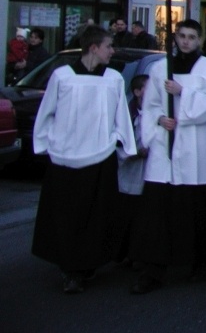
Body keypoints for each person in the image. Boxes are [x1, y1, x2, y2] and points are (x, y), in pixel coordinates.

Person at [31, 25, 136, 293]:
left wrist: (122, 142)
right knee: (67, 216)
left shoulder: (113, 79)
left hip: (100, 154)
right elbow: (47, 112)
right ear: (93, 48)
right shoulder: (63, 77)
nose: (112, 51)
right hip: (65, 157)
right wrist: (47, 143)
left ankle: (88, 263)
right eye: (108, 46)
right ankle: (70, 268)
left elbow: (121, 115)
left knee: (97, 215)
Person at [131, 19, 206, 294]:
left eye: (192, 37)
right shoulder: (160, 68)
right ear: (175, 38)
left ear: (199, 40)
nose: (186, 41)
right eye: (182, 36)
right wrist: (160, 118)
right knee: (158, 211)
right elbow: (150, 105)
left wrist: (184, 93)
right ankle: (152, 269)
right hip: (166, 146)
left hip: (197, 147)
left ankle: (198, 262)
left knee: (196, 210)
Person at [113, 74, 150, 265]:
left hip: (148, 175)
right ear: (137, 92)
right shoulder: (129, 115)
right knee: (127, 215)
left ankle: (139, 254)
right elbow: (119, 145)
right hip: (129, 175)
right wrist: (135, 153)